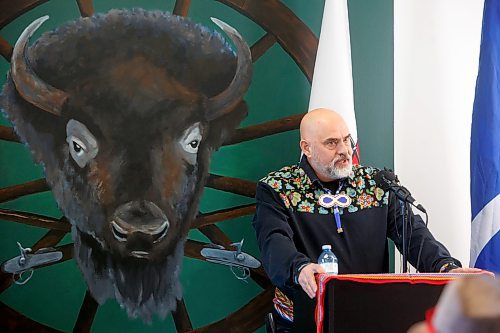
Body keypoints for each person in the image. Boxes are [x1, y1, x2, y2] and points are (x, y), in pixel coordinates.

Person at [252, 108, 482, 332]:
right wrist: (299, 268)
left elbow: (413, 233)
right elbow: (274, 241)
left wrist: (445, 267)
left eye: (346, 140)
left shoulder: (376, 184)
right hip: (304, 319)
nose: (344, 150)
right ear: (307, 148)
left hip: (370, 314)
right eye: (332, 143)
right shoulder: (277, 188)